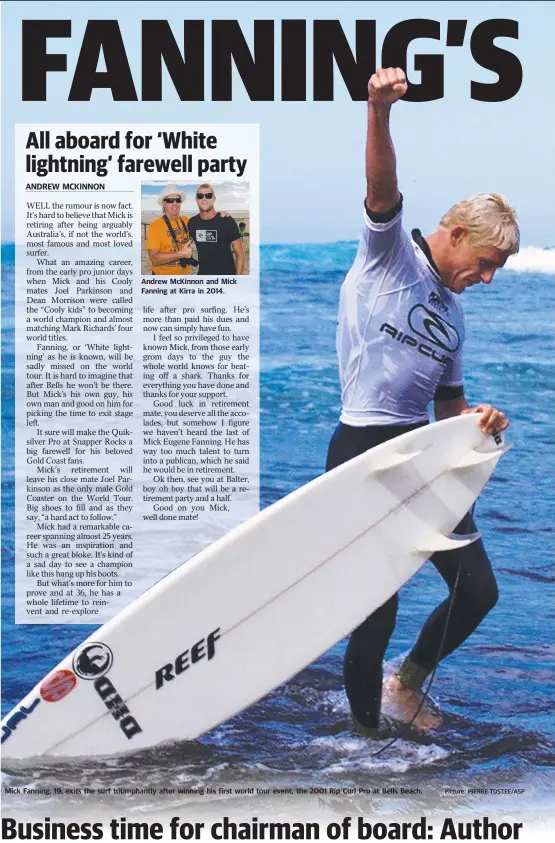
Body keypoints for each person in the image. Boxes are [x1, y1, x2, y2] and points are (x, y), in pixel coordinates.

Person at [326, 67, 519, 737]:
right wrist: (377, 111)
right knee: (374, 611)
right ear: (457, 233)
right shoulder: (388, 257)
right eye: (486, 260)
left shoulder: (455, 317)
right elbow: (380, 187)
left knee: (477, 590)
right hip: (362, 451)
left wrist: (478, 422)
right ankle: (363, 743)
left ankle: (403, 685)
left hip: (423, 455)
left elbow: (449, 411)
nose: (487, 278)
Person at [187, 184, 245, 275]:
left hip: (227, 278)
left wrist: (237, 281)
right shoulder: (192, 222)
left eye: (208, 195)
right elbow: (186, 242)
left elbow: (240, 254)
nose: (204, 199)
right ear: (196, 199)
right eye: (200, 196)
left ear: (214, 198)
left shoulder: (226, 220)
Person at [146, 185, 195, 275]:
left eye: (178, 200)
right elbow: (154, 259)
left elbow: (205, 221)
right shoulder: (155, 227)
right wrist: (181, 254)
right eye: (170, 201)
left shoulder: (187, 221)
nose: (175, 203)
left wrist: (221, 215)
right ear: (164, 203)